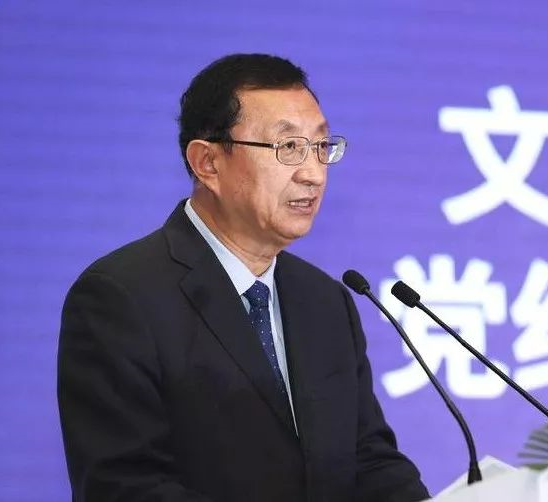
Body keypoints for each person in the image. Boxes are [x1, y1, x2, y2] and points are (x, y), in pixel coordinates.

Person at [57, 53, 429, 502]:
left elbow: (369, 460)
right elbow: (123, 487)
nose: (313, 174)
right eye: (287, 147)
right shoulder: (121, 297)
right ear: (208, 163)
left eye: (320, 146)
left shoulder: (326, 302)